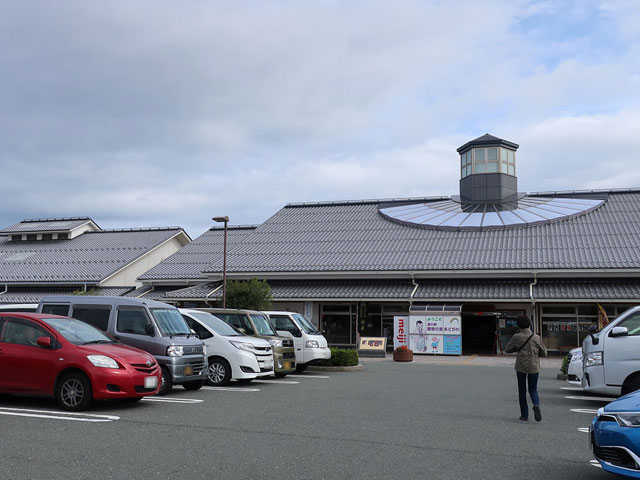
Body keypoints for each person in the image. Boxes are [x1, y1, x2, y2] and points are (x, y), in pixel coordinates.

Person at [505, 316, 547, 422]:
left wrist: (517, 348)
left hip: (521, 366)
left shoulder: (516, 337)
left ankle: (524, 415)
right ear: (530, 324)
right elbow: (544, 353)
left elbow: (507, 349)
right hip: (534, 366)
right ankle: (536, 404)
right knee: (533, 389)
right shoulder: (536, 337)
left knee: (522, 390)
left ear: (519, 325)